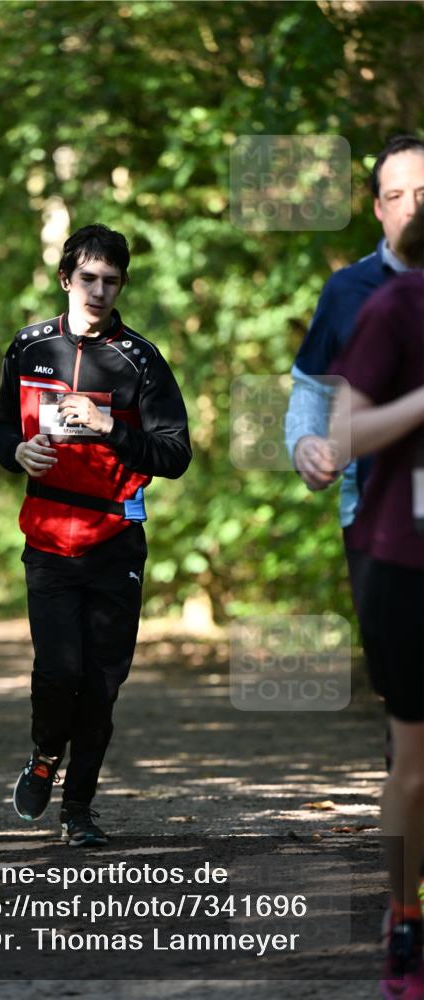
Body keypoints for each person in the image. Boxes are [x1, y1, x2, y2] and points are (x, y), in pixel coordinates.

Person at [0, 224, 191, 846]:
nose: (99, 291)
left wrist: (110, 426)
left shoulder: (141, 359)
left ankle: (79, 811)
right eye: (88, 279)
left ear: (122, 284)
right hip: (47, 538)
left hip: (114, 541)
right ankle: (46, 754)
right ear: (65, 279)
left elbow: (175, 454)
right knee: (57, 671)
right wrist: (16, 451)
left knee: (101, 686)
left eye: (111, 281)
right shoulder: (28, 348)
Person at [328, 205, 424, 999]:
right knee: (415, 766)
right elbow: (347, 431)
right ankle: (403, 915)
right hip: (405, 558)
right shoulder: (397, 307)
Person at [285, 134, 424, 611]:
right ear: (378, 209)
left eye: (423, 194)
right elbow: (310, 384)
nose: (411, 208)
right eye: (396, 196)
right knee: (398, 676)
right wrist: (304, 442)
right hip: (374, 518)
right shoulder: (348, 289)